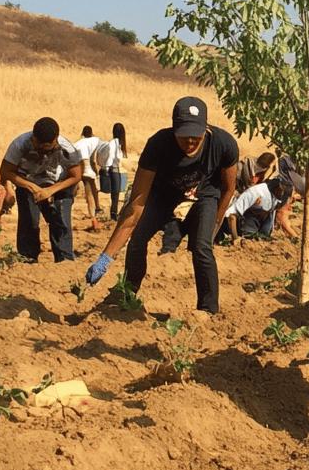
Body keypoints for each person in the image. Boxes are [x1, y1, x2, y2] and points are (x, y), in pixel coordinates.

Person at [83, 97, 238, 313]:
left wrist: (214, 224)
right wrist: (106, 257)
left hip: (205, 196)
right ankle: (127, 293)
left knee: (202, 247)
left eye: (196, 135)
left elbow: (229, 188)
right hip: (163, 195)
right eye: (184, 136)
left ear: (206, 128)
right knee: (137, 237)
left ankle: (208, 309)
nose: (190, 141)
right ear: (174, 128)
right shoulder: (158, 145)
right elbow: (135, 205)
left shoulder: (223, 144)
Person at [2, 118, 83, 263]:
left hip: (59, 184)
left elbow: (76, 175)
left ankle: (64, 259)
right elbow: (6, 171)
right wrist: (31, 186)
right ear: (33, 138)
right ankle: (27, 258)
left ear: (56, 140)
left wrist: (51, 190)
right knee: (29, 221)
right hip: (27, 183)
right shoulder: (19, 145)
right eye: (39, 146)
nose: (43, 150)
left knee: (61, 220)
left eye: (48, 147)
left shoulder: (67, 149)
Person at [222, 176, 294, 243]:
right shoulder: (256, 192)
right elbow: (231, 214)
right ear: (278, 189)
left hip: (262, 233)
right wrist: (235, 238)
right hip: (246, 230)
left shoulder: (278, 197)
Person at [73, 126, 104, 227]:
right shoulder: (94, 140)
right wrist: (96, 172)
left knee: (77, 192)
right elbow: (93, 160)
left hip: (77, 167)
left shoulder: (77, 143)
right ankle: (94, 217)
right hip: (87, 167)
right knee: (91, 192)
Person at [99, 123, 129, 219]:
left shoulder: (116, 143)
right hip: (116, 170)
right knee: (116, 194)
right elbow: (112, 157)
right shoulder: (116, 143)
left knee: (116, 194)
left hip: (117, 170)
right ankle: (114, 214)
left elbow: (111, 157)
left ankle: (114, 213)